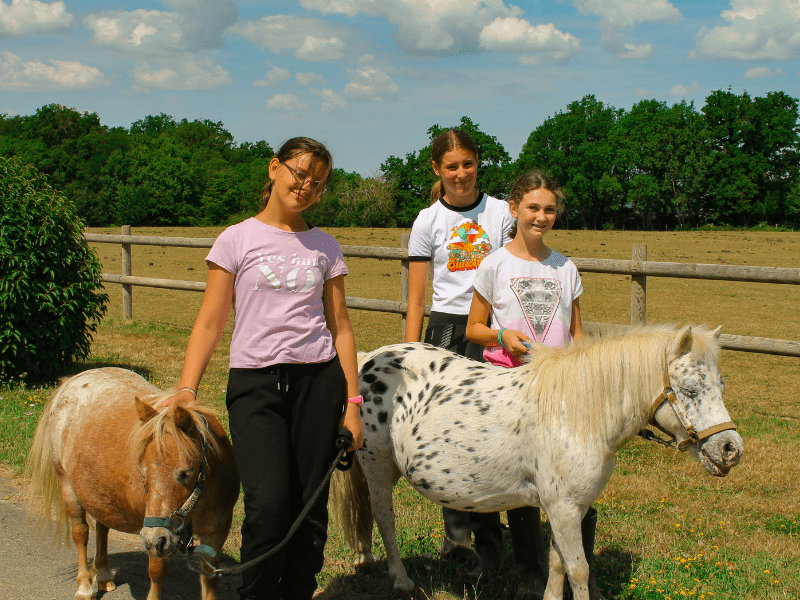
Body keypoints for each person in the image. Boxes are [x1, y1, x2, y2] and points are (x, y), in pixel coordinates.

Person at [161, 137, 363, 600]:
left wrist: (352, 403)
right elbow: (210, 321)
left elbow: (342, 327)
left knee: (309, 512)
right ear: (275, 169)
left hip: (319, 383)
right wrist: (187, 387)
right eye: (300, 173)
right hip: (256, 385)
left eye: (319, 182)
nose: (307, 186)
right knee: (269, 506)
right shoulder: (237, 239)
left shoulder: (325, 246)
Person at [465, 170, 604, 600]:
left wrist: (586, 376)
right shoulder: (494, 264)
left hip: (561, 391)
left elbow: (578, 334)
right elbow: (473, 328)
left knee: (577, 482)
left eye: (549, 210)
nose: (541, 217)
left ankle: (583, 574)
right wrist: (501, 336)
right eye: (533, 208)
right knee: (527, 488)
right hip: (509, 386)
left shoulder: (566, 268)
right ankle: (530, 574)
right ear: (514, 209)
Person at [404, 128, 519, 586]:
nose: (460, 174)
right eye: (451, 166)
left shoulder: (499, 215)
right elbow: (416, 299)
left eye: (467, 164)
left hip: (490, 328)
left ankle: (496, 539)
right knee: (449, 436)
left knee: (496, 433)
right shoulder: (426, 221)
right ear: (437, 169)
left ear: (478, 164)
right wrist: (410, 355)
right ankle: (458, 542)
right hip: (446, 330)